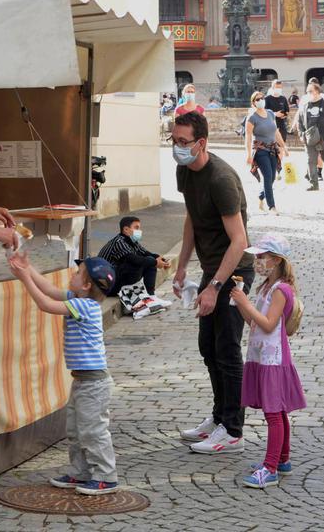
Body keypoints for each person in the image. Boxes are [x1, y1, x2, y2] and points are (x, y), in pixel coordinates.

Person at [172, 111, 255, 454]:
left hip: (235, 272)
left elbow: (239, 240)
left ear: (201, 143)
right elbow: (191, 219)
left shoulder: (220, 178)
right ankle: (219, 417)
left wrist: (215, 287)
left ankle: (232, 430)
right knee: (208, 347)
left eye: (182, 142)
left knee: (227, 349)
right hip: (212, 269)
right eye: (173, 141)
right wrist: (180, 267)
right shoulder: (184, 172)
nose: (177, 148)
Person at [8, 253, 120, 495]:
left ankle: (106, 476)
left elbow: (45, 304)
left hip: (94, 384)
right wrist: (29, 267)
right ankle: (82, 473)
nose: (73, 274)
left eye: (78, 273)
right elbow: (48, 289)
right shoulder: (78, 299)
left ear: (87, 286)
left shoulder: (83, 305)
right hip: (82, 381)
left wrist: (25, 277)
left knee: (93, 430)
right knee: (76, 430)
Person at [230, 234, 306, 490]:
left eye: (262, 256)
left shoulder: (281, 290)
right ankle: (283, 459)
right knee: (277, 411)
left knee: (274, 414)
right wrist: (240, 302)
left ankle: (270, 467)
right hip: (262, 356)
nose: (257, 261)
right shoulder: (266, 287)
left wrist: (244, 303)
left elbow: (269, 323)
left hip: (274, 359)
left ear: (276, 260)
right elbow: (253, 322)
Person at [97, 216, 172, 296]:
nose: (139, 231)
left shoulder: (132, 242)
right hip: (107, 285)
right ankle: (146, 296)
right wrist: (155, 262)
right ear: (126, 229)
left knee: (149, 260)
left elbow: (146, 253)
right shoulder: (119, 242)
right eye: (136, 228)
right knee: (145, 262)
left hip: (116, 280)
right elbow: (133, 259)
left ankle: (151, 296)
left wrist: (163, 261)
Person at [246, 91, 289, 215]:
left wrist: (284, 147)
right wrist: (248, 154)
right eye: (257, 99)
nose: (260, 100)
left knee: (272, 178)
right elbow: (248, 137)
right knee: (268, 176)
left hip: (272, 149)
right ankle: (272, 206)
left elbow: (276, 132)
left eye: (262, 98)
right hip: (260, 150)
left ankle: (261, 197)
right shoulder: (252, 117)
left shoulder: (270, 113)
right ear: (253, 103)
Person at [297, 82, 324, 191]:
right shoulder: (305, 106)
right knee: (310, 160)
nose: (308, 93)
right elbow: (299, 122)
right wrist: (301, 135)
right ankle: (314, 184)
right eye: (307, 92)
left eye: (310, 91)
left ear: (317, 91)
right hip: (310, 139)